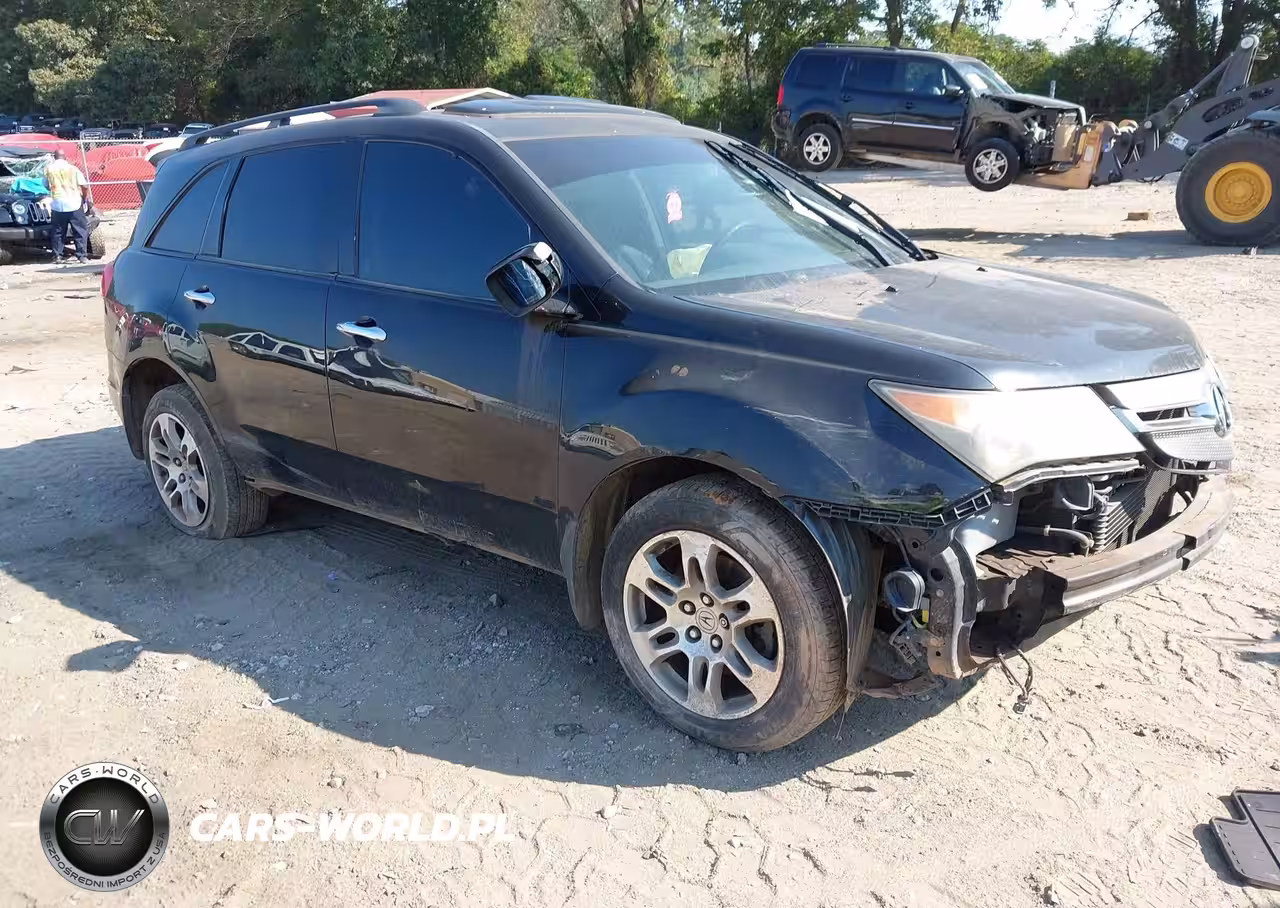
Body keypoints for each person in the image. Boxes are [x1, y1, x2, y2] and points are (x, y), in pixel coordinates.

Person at [44, 149, 91, 263]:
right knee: (79, 230)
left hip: (57, 205)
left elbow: (46, 185)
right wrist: (84, 197)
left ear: (54, 157)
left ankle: (57, 256)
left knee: (58, 231)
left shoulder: (48, 169)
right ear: (65, 157)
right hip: (74, 203)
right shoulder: (73, 169)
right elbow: (84, 186)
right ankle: (81, 256)